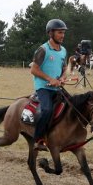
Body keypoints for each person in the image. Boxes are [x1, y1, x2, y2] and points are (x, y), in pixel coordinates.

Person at [29, 19, 68, 149]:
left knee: (73, 106)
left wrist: (62, 78)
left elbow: (64, 69)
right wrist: (50, 79)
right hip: (43, 88)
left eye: (63, 33)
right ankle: (38, 139)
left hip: (57, 88)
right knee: (46, 110)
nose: (62, 35)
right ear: (51, 33)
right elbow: (33, 69)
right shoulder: (43, 49)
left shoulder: (63, 51)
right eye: (59, 33)